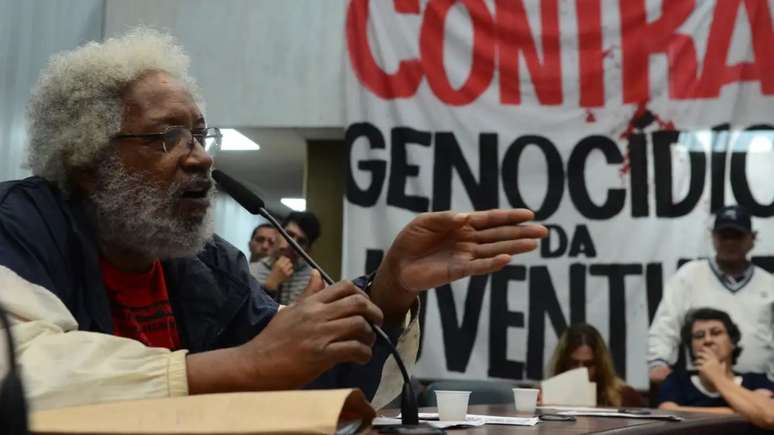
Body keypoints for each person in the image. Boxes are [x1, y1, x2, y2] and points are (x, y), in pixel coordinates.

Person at [0, 28, 548, 411]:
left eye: (200, 133)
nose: (201, 156)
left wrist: (391, 288)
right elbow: (24, 372)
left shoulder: (209, 265)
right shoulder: (17, 227)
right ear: (87, 161)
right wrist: (240, 365)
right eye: (168, 136)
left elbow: (301, 373)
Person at [648, 205, 774, 383]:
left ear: (752, 239)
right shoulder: (689, 276)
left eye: (737, 236)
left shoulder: (769, 284)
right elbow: (666, 324)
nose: (730, 242)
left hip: (759, 386)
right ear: (713, 237)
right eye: (724, 236)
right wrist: (658, 361)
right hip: (703, 383)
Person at [657, 308, 774, 417]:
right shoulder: (678, 381)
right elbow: (667, 412)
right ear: (691, 346)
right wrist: (744, 412)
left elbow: (768, 412)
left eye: (716, 333)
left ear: (732, 342)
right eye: (699, 336)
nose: (707, 340)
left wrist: (716, 377)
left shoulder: (757, 381)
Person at [548, 323, 644, 407]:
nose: (581, 371)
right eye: (574, 363)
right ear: (563, 362)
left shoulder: (626, 397)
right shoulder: (546, 395)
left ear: (601, 364)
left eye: (588, 365)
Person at [253, 212, 319, 305]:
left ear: (308, 250)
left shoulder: (313, 278)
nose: (293, 243)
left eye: (301, 241)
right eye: (289, 234)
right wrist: (270, 287)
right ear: (277, 233)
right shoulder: (252, 270)